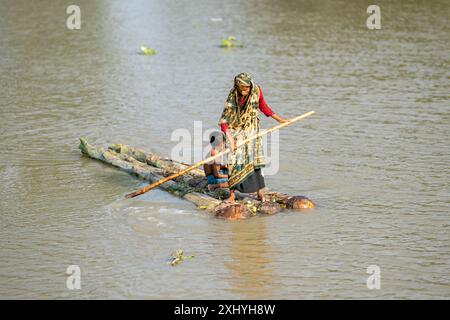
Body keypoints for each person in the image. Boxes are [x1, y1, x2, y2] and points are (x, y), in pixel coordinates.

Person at [219, 73, 290, 203]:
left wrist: (280, 120)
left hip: (252, 130)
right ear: (237, 86)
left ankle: (260, 193)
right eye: (242, 88)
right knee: (234, 161)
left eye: (246, 87)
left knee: (255, 161)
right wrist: (231, 140)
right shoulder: (232, 96)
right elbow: (224, 121)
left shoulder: (256, 90)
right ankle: (232, 195)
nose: (244, 90)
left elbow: (264, 107)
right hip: (236, 131)